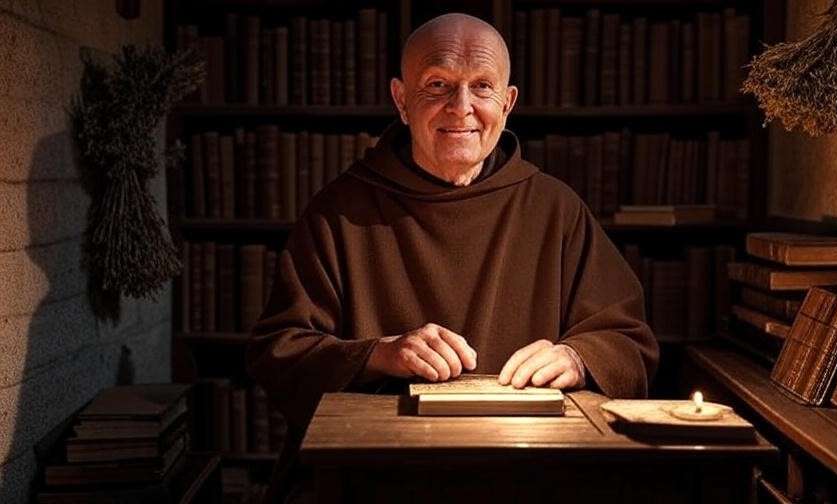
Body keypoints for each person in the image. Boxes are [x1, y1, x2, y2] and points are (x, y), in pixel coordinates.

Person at [246, 14, 658, 496]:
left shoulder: (556, 208)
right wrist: (378, 354)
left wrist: (579, 356)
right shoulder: (340, 211)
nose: (461, 108)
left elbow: (630, 340)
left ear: (507, 104)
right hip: (378, 477)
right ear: (401, 100)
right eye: (438, 84)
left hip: (523, 475)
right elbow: (278, 353)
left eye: (482, 87)